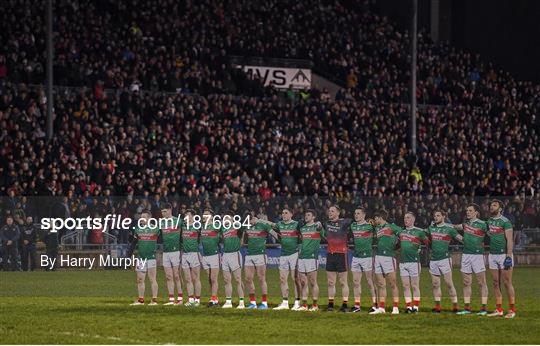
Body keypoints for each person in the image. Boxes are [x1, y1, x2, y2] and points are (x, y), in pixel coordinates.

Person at [259, 208, 301, 311]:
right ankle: (285, 302)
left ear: (291, 214)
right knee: (282, 279)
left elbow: (303, 237)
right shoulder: (280, 224)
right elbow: (271, 224)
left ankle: (297, 302)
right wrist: (260, 220)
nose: (284, 214)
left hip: (294, 254)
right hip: (283, 254)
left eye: (286, 213)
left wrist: (300, 249)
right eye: (282, 213)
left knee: (295, 278)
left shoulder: (297, 224)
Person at [454, 204, 489, 315]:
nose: (467, 212)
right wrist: (443, 225)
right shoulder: (466, 224)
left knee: (481, 282)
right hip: (466, 255)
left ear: (476, 212)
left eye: (470, 210)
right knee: (466, 282)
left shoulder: (483, 224)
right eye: (467, 210)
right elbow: (455, 227)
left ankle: (483, 308)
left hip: (477, 255)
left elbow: (493, 234)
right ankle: (466, 308)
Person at [426, 209, 463, 313]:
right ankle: (438, 307)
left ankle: (455, 307)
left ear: (443, 217)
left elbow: (460, 238)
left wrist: (470, 243)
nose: (436, 217)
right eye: (435, 215)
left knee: (449, 283)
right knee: (435, 284)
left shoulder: (449, 229)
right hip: (433, 259)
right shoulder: (431, 228)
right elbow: (424, 236)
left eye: (438, 215)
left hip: (444, 259)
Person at [486, 199, 516, 318]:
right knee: (495, 283)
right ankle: (499, 309)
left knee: (507, 282)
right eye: (491, 205)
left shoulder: (506, 222)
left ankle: (512, 310)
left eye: (494, 205)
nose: (491, 207)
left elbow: (510, 240)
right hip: (492, 255)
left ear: (500, 209)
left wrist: (509, 256)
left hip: (504, 255)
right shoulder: (489, 221)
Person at [370, 209, 401, 314]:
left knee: (393, 283)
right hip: (378, 257)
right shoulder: (377, 228)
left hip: (389, 257)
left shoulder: (391, 226)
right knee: (380, 284)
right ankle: (381, 308)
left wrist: (397, 245)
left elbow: (402, 234)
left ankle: (395, 308)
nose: (374, 220)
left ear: (380, 218)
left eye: (376, 218)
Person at [322, 205, 351, 312]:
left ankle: (344, 305)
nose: (330, 213)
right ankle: (330, 305)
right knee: (330, 282)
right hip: (330, 254)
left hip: (341, 254)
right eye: (329, 211)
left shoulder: (345, 222)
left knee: (343, 282)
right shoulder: (326, 223)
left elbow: (356, 222)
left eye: (332, 211)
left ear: (338, 213)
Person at [398, 212, 429, 313]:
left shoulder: (419, 232)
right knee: (405, 286)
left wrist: (420, 248)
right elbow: (399, 245)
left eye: (408, 218)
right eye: (405, 218)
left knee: (415, 286)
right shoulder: (401, 232)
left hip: (414, 262)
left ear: (413, 220)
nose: (405, 219)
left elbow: (428, 243)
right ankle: (408, 307)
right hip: (402, 262)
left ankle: (415, 307)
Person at [349, 207, 378, 313]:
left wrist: (375, 224)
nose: (356, 215)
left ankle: (375, 305)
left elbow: (379, 230)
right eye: (355, 213)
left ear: (364, 215)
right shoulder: (353, 225)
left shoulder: (370, 225)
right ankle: (357, 306)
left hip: (367, 257)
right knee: (356, 282)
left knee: (370, 282)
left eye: (358, 213)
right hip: (356, 257)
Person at [243, 212, 273, 309]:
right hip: (249, 255)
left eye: (249, 221)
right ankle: (253, 303)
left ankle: (264, 303)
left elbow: (275, 233)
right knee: (248, 279)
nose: (248, 223)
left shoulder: (263, 225)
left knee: (261, 279)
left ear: (253, 218)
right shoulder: (246, 226)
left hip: (260, 254)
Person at [129, 210, 159, 305]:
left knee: (152, 279)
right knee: (140, 279)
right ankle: (141, 300)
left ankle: (154, 300)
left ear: (149, 218)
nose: (141, 219)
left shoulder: (156, 229)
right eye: (141, 217)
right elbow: (133, 243)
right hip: (141, 258)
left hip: (151, 257)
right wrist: (129, 254)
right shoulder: (138, 229)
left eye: (144, 217)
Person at [297, 209, 325, 311]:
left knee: (313, 282)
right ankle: (304, 305)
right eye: (306, 215)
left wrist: (321, 227)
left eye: (308, 215)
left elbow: (324, 235)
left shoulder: (317, 227)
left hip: (312, 257)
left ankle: (314, 305)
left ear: (313, 217)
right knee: (303, 282)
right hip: (302, 257)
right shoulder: (303, 229)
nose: (306, 216)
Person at [220, 212, 245, 309]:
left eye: (228, 218)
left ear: (233, 219)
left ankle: (242, 302)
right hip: (225, 255)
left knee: (238, 279)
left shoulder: (237, 225)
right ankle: (228, 302)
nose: (225, 220)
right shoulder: (223, 229)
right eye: (224, 218)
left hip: (235, 254)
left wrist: (242, 238)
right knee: (226, 280)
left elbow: (244, 229)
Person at [160, 203, 183, 305]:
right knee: (168, 276)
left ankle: (180, 298)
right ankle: (171, 299)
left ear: (170, 210)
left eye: (165, 211)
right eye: (162, 212)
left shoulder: (178, 221)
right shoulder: (161, 222)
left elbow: (184, 235)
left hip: (176, 251)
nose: (163, 214)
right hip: (166, 252)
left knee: (177, 275)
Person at [200, 209, 222, 307]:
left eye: (207, 214)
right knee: (209, 279)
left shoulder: (216, 225)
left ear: (212, 217)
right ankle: (215, 299)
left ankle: (212, 300)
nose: (204, 216)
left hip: (214, 255)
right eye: (204, 214)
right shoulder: (202, 227)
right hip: (205, 255)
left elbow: (226, 231)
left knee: (213, 278)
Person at [181, 209, 202, 307]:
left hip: (194, 254)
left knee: (195, 278)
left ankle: (197, 300)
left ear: (193, 216)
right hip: (185, 254)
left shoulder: (197, 226)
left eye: (188, 215)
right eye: (185, 215)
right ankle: (190, 299)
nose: (186, 217)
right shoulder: (183, 226)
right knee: (187, 279)